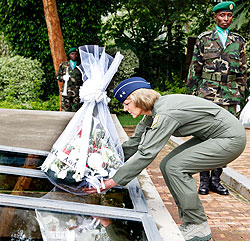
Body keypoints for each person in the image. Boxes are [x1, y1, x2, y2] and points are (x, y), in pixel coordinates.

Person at [83, 77, 246, 241]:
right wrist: (101, 164)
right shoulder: (153, 111)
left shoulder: (165, 113)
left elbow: (147, 153)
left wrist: (113, 181)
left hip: (230, 139)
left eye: (126, 103)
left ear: (139, 98)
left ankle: (197, 226)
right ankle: (192, 222)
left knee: (175, 167)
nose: (125, 109)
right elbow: (134, 143)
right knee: (167, 165)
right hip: (213, 136)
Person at [186, 1, 247, 195]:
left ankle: (216, 180)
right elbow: (194, 68)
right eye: (222, 15)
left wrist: (242, 95)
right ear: (215, 17)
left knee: (226, 138)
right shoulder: (204, 39)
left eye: (229, 16)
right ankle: (204, 181)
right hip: (206, 95)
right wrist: (191, 95)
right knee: (204, 136)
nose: (226, 19)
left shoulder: (239, 41)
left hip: (229, 96)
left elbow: (243, 71)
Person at [57, 47, 83, 112]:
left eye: (75, 54)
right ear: (69, 55)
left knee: (76, 111)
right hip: (66, 91)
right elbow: (58, 77)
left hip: (77, 92)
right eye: (72, 54)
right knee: (65, 111)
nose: (74, 56)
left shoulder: (81, 65)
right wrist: (63, 78)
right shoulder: (64, 65)